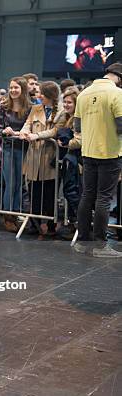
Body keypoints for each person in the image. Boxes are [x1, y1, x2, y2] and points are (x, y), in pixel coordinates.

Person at [73, 62, 122, 257]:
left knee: (87, 196)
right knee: (104, 198)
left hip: (88, 151)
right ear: (119, 77)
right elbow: (121, 125)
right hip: (109, 152)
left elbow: (77, 126)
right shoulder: (117, 94)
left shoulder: (83, 94)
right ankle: (101, 246)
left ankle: (83, 242)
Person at [20, 81, 62, 239]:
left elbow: (55, 130)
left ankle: (51, 225)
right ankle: (34, 224)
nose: (39, 96)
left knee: (50, 193)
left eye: (42, 94)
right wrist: (24, 132)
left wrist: (37, 135)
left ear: (51, 96)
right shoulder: (36, 108)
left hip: (49, 157)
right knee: (34, 192)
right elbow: (28, 124)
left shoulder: (61, 111)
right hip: (34, 156)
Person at [0, 77, 31, 232]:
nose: (13, 90)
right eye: (11, 87)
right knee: (10, 183)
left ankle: (15, 213)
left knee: (19, 184)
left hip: (24, 149)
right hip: (7, 149)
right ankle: (8, 216)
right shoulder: (2, 107)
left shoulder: (30, 107)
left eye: (16, 87)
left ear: (23, 89)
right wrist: (5, 131)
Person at [54, 87, 82, 240]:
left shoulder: (79, 119)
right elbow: (54, 131)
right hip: (69, 160)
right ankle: (75, 224)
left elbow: (79, 141)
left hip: (76, 161)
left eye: (69, 102)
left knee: (73, 193)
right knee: (70, 192)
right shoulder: (64, 117)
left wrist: (66, 144)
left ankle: (80, 225)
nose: (66, 104)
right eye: (64, 101)